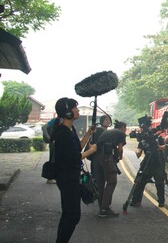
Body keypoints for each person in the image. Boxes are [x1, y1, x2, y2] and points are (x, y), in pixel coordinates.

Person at [52, 97, 97, 243]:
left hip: (71, 177)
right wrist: (92, 151)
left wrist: (89, 133)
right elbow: (74, 157)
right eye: (75, 108)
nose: (78, 110)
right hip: (67, 179)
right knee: (73, 216)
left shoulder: (70, 129)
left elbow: (77, 147)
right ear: (67, 113)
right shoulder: (63, 133)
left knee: (68, 214)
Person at [93, 120, 127, 218]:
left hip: (97, 157)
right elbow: (120, 148)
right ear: (123, 128)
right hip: (106, 157)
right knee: (112, 181)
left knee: (101, 182)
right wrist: (120, 156)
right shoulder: (121, 133)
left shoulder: (108, 132)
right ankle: (104, 209)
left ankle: (102, 206)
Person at [130, 124, 167, 208]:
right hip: (147, 164)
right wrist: (138, 151)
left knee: (160, 183)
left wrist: (160, 147)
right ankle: (135, 200)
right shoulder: (144, 140)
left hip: (158, 163)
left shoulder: (158, 138)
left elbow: (165, 146)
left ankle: (161, 201)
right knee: (140, 182)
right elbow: (138, 150)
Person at [42, 118, 57, 184]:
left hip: (57, 143)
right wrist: (50, 139)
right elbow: (44, 127)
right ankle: (50, 178)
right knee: (53, 159)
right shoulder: (56, 120)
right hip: (54, 144)